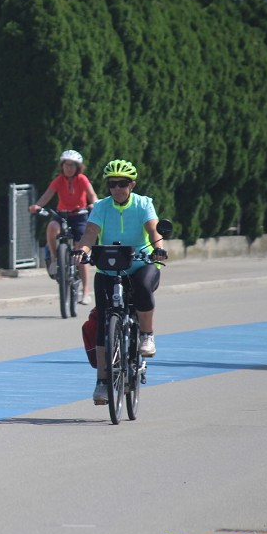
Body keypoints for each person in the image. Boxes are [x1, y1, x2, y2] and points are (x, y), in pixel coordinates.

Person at [73, 159, 168, 406]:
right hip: (109, 268)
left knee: (144, 288)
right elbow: (90, 233)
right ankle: (102, 382)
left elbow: (154, 230)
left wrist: (158, 249)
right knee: (105, 321)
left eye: (122, 184)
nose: (117, 188)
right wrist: (82, 250)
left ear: (132, 185)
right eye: (112, 184)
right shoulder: (102, 207)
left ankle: (147, 335)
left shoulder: (144, 203)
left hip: (141, 264)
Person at [28, 149, 98, 304]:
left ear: (78, 167)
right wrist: (37, 206)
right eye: (66, 165)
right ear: (62, 166)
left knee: (81, 254)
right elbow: (47, 195)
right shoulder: (59, 180)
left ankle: (86, 292)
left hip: (80, 215)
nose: (69, 168)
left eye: (72, 165)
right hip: (62, 215)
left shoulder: (82, 179)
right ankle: (54, 258)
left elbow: (92, 194)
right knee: (52, 226)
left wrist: (94, 203)